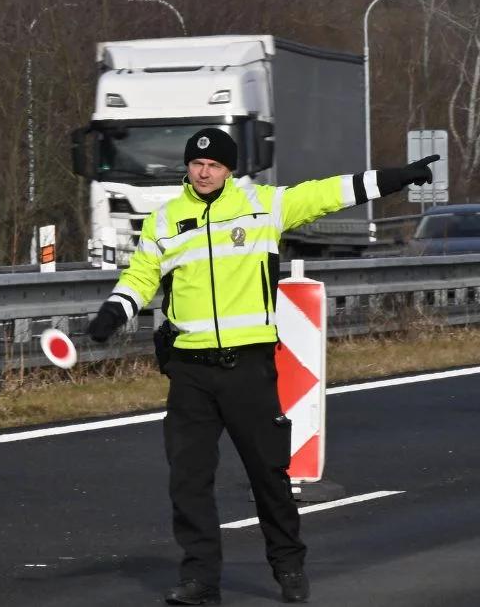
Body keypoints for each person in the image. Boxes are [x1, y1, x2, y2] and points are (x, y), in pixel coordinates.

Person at [87, 128, 437, 605]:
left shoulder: (265, 205)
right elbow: (142, 275)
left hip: (247, 367)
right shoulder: (166, 219)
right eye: (196, 164)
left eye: (213, 165)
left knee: (268, 474)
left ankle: (288, 565)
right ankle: (200, 580)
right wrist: (114, 312)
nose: (203, 171)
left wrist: (394, 179)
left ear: (230, 169)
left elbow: (330, 193)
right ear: (188, 168)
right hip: (190, 369)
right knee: (188, 480)